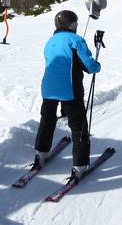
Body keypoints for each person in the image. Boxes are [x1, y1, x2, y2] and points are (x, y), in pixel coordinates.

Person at [33, 10, 101, 181]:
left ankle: (41, 153)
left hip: (48, 88)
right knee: (78, 126)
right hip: (69, 89)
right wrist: (97, 64)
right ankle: (80, 165)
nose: (77, 26)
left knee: (47, 119)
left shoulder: (50, 41)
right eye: (75, 23)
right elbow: (90, 66)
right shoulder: (76, 40)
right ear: (71, 25)